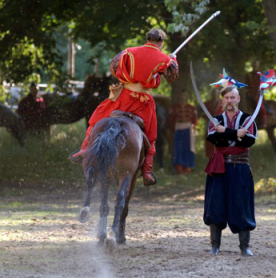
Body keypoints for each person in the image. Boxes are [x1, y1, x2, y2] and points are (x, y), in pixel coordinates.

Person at [69, 28, 179, 186]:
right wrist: (172, 60)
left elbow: (113, 66)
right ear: (161, 42)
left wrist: (127, 79)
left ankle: (84, 149)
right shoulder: (164, 59)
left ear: (147, 39)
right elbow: (173, 76)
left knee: (98, 119)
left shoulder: (128, 52)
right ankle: (147, 172)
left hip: (124, 97)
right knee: (151, 134)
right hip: (143, 102)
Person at [204, 85, 258, 256]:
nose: (229, 101)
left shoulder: (248, 119)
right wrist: (235, 134)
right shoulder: (216, 120)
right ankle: (215, 245)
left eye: (233, 97)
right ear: (222, 100)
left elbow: (248, 141)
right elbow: (213, 138)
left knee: (241, 205)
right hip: (219, 168)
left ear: (238, 99)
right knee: (216, 205)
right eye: (226, 98)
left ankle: (244, 246)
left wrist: (225, 132)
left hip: (240, 168)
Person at [168, 90, 198, 174]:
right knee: (178, 148)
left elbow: (195, 120)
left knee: (188, 148)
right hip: (178, 129)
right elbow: (171, 120)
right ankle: (179, 167)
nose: (183, 97)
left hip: (188, 129)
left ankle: (188, 167)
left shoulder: (192, 108)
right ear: (179, 96)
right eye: (181, 95)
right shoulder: (174, 108)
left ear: (187, 96)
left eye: (185, 95)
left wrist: (193, 127)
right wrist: (172, 129)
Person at [244, 60, 268, 129]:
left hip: (258, 95)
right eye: (253, 63)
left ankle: (264, 122)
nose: (254, 65)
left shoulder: (261, 75)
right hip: (248, 95)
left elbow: (263, 86)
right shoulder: (248, 75)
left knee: (261, 107)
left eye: (256, 64)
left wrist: (258, 93)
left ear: (258, 65)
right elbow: (245, 85)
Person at [202, 87, 222, 157]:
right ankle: (210, 159)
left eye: (216, 93)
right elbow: (203, 115)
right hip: (209, 125)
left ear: (218, 94)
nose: (214, 95)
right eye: (213, 94)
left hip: (219, 125)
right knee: (209, 143)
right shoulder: (206, 104)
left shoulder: (223, 103)